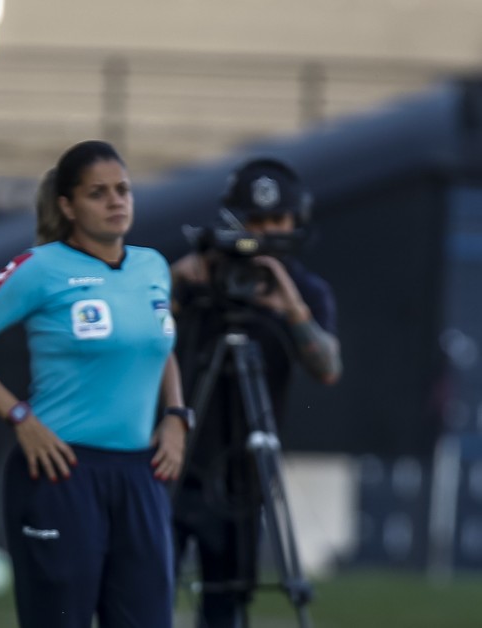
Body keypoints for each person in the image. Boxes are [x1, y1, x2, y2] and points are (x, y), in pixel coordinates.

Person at [0, 140, 191, 627]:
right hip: (61, 471)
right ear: (67, 205)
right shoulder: (39, 268)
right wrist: (20, 417)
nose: (116, 201)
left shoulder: (153, 266)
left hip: (141, 476)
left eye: (123, 190)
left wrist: (177, 416)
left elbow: (158, 344)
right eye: (98, 193)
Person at [169, 157, 342, 628]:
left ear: (296, 223)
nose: (264, 233)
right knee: (150, 588)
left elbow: (328, 368)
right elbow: (141, 334)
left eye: (276, 221)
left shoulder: (304, 290)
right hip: (173, 458)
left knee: (227, 604)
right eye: (255, 221)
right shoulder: (201, 275)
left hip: (243, 468)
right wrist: (174, 283)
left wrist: (289, 305)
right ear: (234, 222)